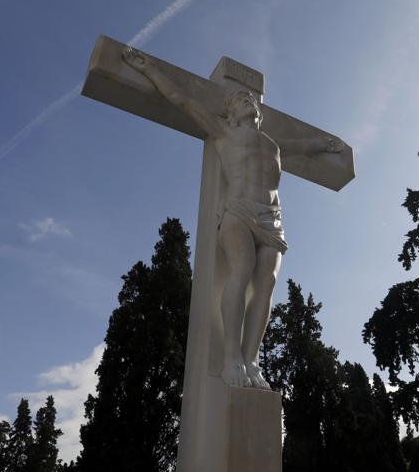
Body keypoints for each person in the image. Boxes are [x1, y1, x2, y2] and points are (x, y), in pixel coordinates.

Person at [123, 47, 342, 389]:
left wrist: (327, 146)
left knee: (266, 282)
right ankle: (231, 357)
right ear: (230, 111)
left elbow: (304, 145)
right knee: (241, 270)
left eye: (249, 100)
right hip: (238, 210)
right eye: (239, 100)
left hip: (271, 217)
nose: (247, 101)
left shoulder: (273, 143)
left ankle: (251, 358)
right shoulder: (223, 132)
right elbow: (181, 99)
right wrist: (149, 69)